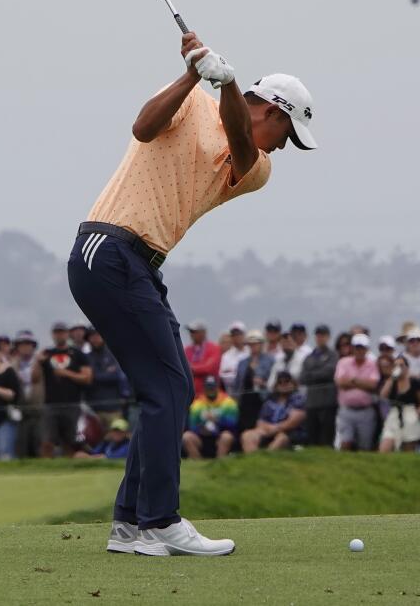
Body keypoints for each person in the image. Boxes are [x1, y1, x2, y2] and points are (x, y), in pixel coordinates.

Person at [67, 29, 315, 558]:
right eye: (286, 133)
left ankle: (131, 525)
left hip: (139, 264)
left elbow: (243, 146)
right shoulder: (190, 99)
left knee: (173, 390)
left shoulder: (257, 168)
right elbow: (142, 127)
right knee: (167, 389)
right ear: (272, 110)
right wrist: (190, 74)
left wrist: (224, 85)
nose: (280, 148)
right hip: (108, 249)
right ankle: (159, 520)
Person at [33, 321, 91, 458]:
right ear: (53, 335)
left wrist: (67, 374)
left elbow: (87, 378)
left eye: (62, 332)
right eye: (57, 332)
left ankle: (68, 468)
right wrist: (37, 361)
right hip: (50, 404)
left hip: (72, 403)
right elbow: (34, 379)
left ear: (67, 334)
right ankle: (46, 469)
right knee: (47, 441)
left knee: (70, 441)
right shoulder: (46, 354)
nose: (59, 335)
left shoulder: (78, 354)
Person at [240, 371, 307, 453]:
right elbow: (260, 422)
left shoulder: (298, 398)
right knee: (247, 435)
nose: (283, 384)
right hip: (269, 430)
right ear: (276, 385)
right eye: (280, 382)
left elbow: (294, 421)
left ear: (293, 384)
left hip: (290, 432)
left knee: (281, 438)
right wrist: (268, 429)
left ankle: (268, 460)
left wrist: (275, 428)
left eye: (287, 381)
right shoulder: (270, 400)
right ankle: (254, 460)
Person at [335, 334, 380, 451]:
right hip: (346, 410)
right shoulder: (343, 362)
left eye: (362, 348)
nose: (359, 351)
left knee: (364, 445)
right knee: (345, 442)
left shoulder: (372, 364)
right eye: (357, 348)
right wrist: (362, 383)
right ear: (353, 348)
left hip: (365, 411)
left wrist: (353, 381)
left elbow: (373, 385)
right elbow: (340, 382)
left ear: (367, 349)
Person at [300, 324, 339, 448]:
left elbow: (330, 372)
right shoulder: (309, 357)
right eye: (318, 335)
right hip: (311, 403)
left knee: (326, 437)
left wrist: (313, 374)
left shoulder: (333, 355)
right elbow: (303, 378)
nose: (320, 338)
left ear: (328, 337)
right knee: (312, 436)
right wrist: (318, 373)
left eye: (323, 335)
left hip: (328, 402)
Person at [378, 354, 420, 453]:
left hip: (409, 412)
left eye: (401, 365)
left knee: (408, 449)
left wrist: (416, 414)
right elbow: (383, 395)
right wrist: (392, 378)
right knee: (385, 446)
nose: (398, 368)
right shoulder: (392, 382)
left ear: (407, 368)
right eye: (396, 365)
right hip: (394, 413)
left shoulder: (414, 382)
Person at [183, 376, 239, 459]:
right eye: (208, 387)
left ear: (217, 387)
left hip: (220, 435)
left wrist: (217, 420)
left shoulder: (228, 402)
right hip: (202, 436)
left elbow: (232, 425)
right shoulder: (197, 404)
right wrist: (202, 428)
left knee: (226, 436)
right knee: (186, 436)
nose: (211, 389)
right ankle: (198, 465)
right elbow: (192, 426)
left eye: (213, 386)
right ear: (204, 388)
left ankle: (220, 464)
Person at [86, 327, 129, 431]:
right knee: (96, 443)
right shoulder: (85, 357)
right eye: (92, 336)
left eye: (98, 335)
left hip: (114, 408)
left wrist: (95, 376)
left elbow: (117, 376)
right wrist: (105, 374)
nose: (95, 338)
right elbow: (86, 379)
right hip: (93, 410)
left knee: (117, 439)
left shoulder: (114, 355)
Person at [233, 329, 274, 433]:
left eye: (256, 344)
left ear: (261, 344)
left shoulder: (270, 360)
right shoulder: (242, 363)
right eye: (250, 344)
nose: (253, 347)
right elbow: (237, 383)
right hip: (245, 400)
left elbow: (272, 381)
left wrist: (262, 382)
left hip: (262, 399)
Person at [11, 330, 43, 459]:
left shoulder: (41, 363)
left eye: (28, 344)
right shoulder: (11, 366)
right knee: (22, 448)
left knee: (39, 446)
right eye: (22, 344)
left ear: (33, 346)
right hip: (21, 413)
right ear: (17, 347)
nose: (25, 347)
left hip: (39, 411)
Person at [184, 321, 222, 395]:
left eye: (194, 332)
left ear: (203, 333)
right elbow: (183, 367)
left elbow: (209, 368)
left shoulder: (213, 348)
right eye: (191, 332)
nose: (191, 334)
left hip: (209, 394)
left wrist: (191, 368)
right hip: (191, 394)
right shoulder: (187, 350)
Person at [218, 323, 248, 391]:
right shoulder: (226, 356)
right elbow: (223, 376)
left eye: (239, 334)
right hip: (231, 393)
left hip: (248, 392)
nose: (236, 337)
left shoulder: (250, 352)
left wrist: (233, 372)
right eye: (233, 335)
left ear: (244, 335)